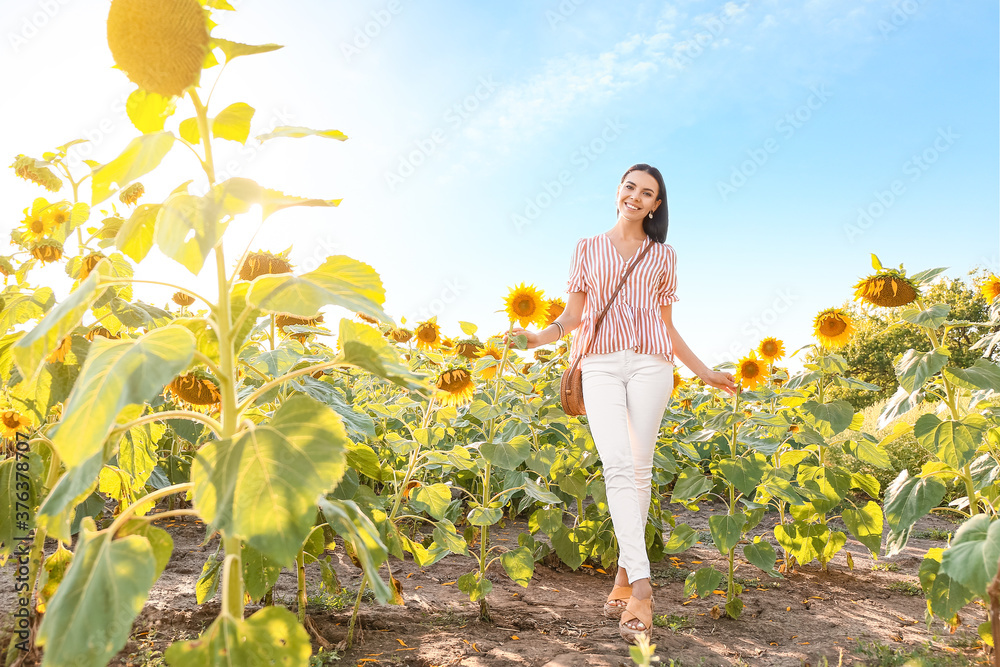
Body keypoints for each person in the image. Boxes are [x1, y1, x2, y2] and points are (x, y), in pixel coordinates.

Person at [504, 163, 736, 643]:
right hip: (601, 366)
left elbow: (667, 326)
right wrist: (535, 338)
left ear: (655, 205)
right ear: (618, 192)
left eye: (647, 192)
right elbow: (572, 316)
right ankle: (645, 587)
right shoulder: (586, 248)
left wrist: (704, 372)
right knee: (617, 467)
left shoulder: (663, 256)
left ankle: (624, 579)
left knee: (641, 469)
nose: (636, 196)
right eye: (630, 187)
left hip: (652, 365)